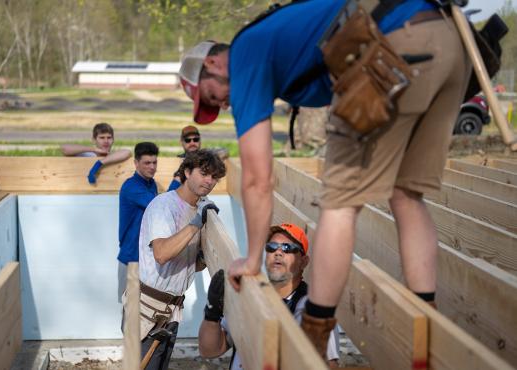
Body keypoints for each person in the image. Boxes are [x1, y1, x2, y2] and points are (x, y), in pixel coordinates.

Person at [179, 0, 470, 359]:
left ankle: (314, 335)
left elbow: (256, 179)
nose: (223, 103)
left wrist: (253, 258)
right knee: (407, 194)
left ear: (212, 63)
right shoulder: (283, 38)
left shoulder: (246, 53)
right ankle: (429, 322)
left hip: (395, 48)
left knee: (339, 203)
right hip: (449, 46)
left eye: (212, 95)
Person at [198, 223, 340, 368]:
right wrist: (212, 312)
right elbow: (209, 350)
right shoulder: (251, 296)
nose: (278, 252)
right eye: (272, 247)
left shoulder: (312, 308)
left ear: (304, 261)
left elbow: (329, 365)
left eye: (287, 248)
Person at [134, 149, 226, 369]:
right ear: (186, 171)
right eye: (204, 173)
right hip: (147, 311)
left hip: (172, 309)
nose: (209, 180)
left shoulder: (198, 209)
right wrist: (196, 223)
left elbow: (188, 264)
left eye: (214, 176)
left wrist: (206, 258)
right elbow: (162, 254)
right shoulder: (163, 206)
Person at [117, 142, 159, 302]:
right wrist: (177, 182)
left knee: (147, 315)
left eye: (154, 162)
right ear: (136, 163)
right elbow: (159, 207)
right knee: (130, 317)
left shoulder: (151, 184)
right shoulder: (131, 187)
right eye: (147, 163)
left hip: (146, 261)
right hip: (132, 260)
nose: (152, 167)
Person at [60, 122, 131, 184]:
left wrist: (99, 164)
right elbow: (64, 148)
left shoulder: (114, 156)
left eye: (109, 138)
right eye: (102, 138)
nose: (106, 141)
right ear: (94, 140)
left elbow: (127, 152)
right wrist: (94, 149)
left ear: (113, 140)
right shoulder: (87, 154)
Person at [167, 125, 202, 191]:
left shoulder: (207, 157)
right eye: (188, 140)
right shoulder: (176, 161)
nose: (192, 143)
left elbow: (223, 152)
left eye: (196, 139)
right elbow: (171, 193)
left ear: (200, 141)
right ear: (181, 142)